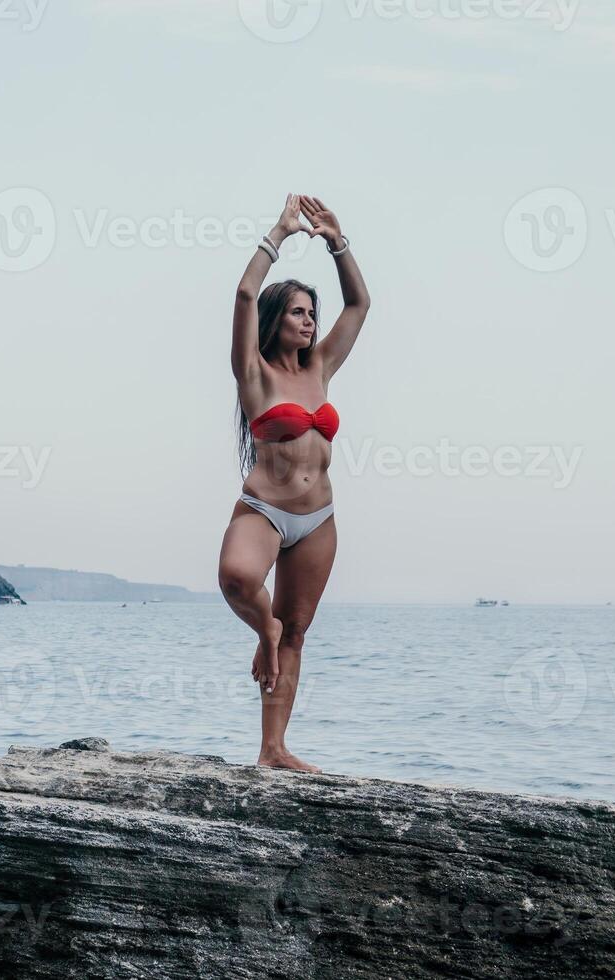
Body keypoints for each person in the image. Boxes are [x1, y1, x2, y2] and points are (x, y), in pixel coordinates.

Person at [217, 193, 370, 773]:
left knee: (297, 636)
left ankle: (273, 749)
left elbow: (360, 303)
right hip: (264, 509)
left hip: (318, 519)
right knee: (237, 580)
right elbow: (243, 294)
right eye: (299, 312)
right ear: (276, 318)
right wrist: (279, 233)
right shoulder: (252, 373)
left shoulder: (321, 367)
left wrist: (338, 241)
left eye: (313, 313)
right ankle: (266, 628)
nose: (310, 321)